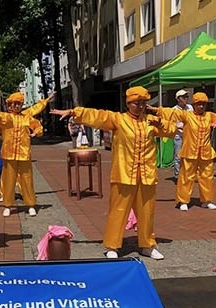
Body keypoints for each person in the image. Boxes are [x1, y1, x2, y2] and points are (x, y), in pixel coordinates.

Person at [50, 86, 176, 260]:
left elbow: (172, 130)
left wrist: (160, 123)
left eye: (143, 103)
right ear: (128, 103)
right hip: (124, 174)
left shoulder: (151, 121)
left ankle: (147, 244)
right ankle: (112, 245)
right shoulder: (118, 119)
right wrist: (74, 112)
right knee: (118, 210)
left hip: (146, 174)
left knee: (147, 212)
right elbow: (97, 116)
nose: (140, 106)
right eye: (136, 103)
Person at [149, 92, 216, 211]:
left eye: (203, 104)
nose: (201, 107)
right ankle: (183, 201)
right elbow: (172, 112)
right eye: (198, 104)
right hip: (190, 152)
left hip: (205, 153)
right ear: (194, 105)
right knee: (186, 177)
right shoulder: (187, 115)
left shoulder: (210, 115)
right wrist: (154, 109)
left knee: (207, 177)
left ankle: (207, 200)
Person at [0, 91, 52, 217]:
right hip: (8, 154)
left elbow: (37, 124)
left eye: (18, 103)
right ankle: (7, 205)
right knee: (8, 180)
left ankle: (30, 204)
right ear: (8, 105)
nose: (15, 106)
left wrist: (36, 132)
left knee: (27, 180)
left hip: (24, 154)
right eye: (12, 104)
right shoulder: (5, 118)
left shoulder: (26, 117)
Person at [172, 89, 194, 182]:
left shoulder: (190, 107)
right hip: (179, 136)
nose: (186, 99)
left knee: (189, 156)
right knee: (178, 156)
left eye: (187, 97)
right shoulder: (174, 110)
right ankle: (177, 176)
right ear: (178, 99)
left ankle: (188, 175)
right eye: (183, 97)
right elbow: (173, 124)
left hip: (189, 136)